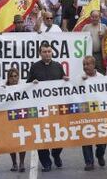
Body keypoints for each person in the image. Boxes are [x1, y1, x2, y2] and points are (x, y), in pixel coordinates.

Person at [27, 42, 68, 172]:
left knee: (59, 134)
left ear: (52, 52)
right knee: (41, 135)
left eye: (49, 51)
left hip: (56, 108)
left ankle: (56, 154)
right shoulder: (34, 67)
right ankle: (46, 163)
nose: (47, 54)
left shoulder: (58, 66)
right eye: (44, 52)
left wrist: (66, 79)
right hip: (41, 109)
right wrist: (32, 83)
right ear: (40, 53)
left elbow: (63, 80)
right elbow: (27, 85)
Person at [80, 56, 106, 171]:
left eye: (88, 64)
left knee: (102, 139)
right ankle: (89, 162)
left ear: (94, 65)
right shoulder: (80, 79)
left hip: (99, 111)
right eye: (84, 64)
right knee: (86, 137)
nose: (85, 67)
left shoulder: (101, 78)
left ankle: (100, 154)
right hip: (85, 111)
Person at [4, 68, 26, 172]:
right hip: (8, 118)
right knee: (11, 142)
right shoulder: (4, 89)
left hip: (21, 117)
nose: (14, 78)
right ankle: (14, 163)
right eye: (11, 76)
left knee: (22, 141)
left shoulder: (23, 87)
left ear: (18, 77)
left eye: (15, 76)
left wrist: (35, 85)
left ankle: (22, 163)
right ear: (8, 78)